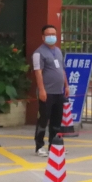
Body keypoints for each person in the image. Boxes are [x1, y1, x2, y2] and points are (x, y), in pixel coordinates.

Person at [32, 23, 68, 156]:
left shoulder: (58, 51)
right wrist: (42, 90)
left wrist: (66, 85)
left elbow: (62, 70)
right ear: (43, 37)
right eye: (48, 35)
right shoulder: (39, 53)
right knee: (43, 119)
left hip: (59, 92)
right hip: (47, 92)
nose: (51, 37)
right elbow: (38, 72)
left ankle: (55, 145)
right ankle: (39, 146)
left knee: (56, 120)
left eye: (53, 34)